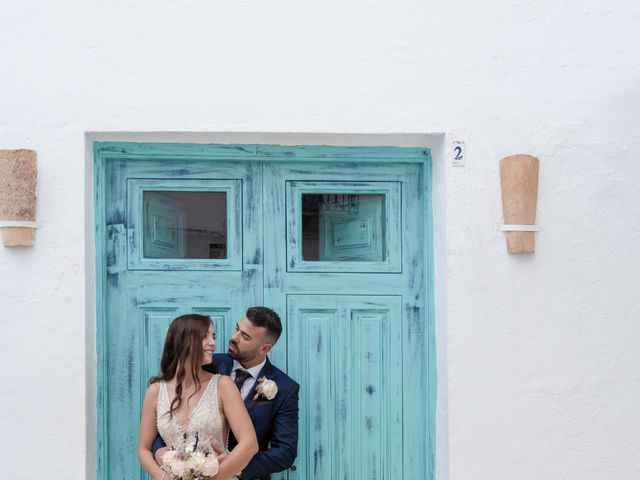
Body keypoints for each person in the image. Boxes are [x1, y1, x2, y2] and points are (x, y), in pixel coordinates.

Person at [154, 306, 299, 480]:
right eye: (237, 329)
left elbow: (285, 451)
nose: (234, 338)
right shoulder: (205, 362)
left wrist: (234, 466)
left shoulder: (285, 388)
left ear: (264, 348)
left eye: (245, 336)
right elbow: (167, 410)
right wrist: (160, 452)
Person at [138, 314, 258, 480]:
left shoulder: (223, 385)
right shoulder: (155, 391)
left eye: (213, 336)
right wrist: (163, 477)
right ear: (182, 340)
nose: (213, 343)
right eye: (205, 336)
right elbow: (144, 449)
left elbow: (249, 444)